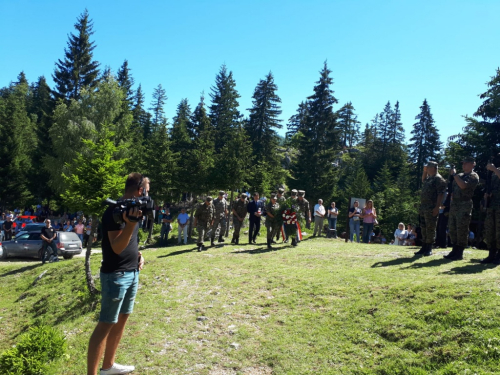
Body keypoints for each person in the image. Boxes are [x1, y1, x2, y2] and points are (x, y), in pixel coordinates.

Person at [87, 172, 147, 375]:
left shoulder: (134, 209)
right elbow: (116, 247)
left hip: (132, 271)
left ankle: (108, 366)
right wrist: (130, 224)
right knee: (106, 323)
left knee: (122, 319)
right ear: (140, 190)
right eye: (147, 190)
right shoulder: (115, 211)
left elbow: (129, 242)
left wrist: (138, 254)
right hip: (116, 275)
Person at [443, 157, 479, 261]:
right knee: (453, 228)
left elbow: (463, 186)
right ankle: (454, 249)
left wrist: (454, 175)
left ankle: (460, 252)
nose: (463, 165)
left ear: (473, 164)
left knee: (461, 228)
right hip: (455, 204)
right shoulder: (460, 175)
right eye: (463, 164)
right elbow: (452, 190)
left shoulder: (473, 176)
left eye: (466, 163)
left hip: (464, 204)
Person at [414, 161, 447, 256]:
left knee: (430, 227)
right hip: (424, 206)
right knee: (423, 227)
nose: (426, 169)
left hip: (432, 207)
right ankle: (424, 246)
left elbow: (440, 193)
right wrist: (424, 171)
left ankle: (429, 247)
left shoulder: (438, 179)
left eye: (428, 168)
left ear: (433, 168)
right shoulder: (430, 178)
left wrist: (437, 207)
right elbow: (423, 180)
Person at [482, 154, 500, 263]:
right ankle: (491, 253)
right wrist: (487, 195)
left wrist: (493, 169)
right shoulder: (494, 172)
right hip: (492, 204)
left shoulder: (495, 171)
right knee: (490, 230)